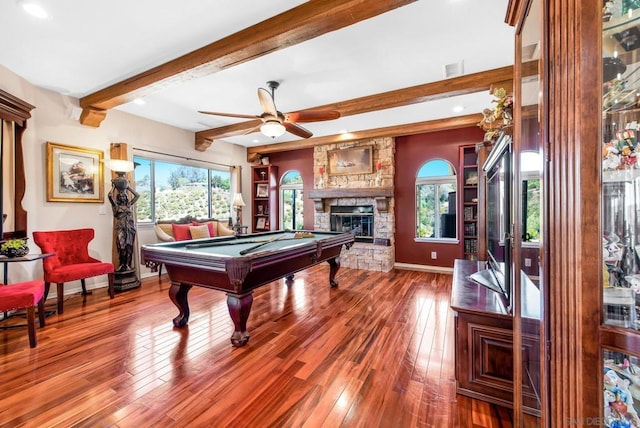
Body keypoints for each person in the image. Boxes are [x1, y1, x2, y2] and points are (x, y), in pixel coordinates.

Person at [108, 183, 139, 272]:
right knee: (121, 247)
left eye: (124, 196)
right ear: (118, 198)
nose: (122, 198)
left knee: (129, 247)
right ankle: (122, 264)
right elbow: (110, 196)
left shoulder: (129, 205)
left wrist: (128, 187)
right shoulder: (116, 206)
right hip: (121, 227)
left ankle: (128, 265)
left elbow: (137, 195)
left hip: (130, 227)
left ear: (126, 197)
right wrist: (114, 187)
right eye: (120, 196)